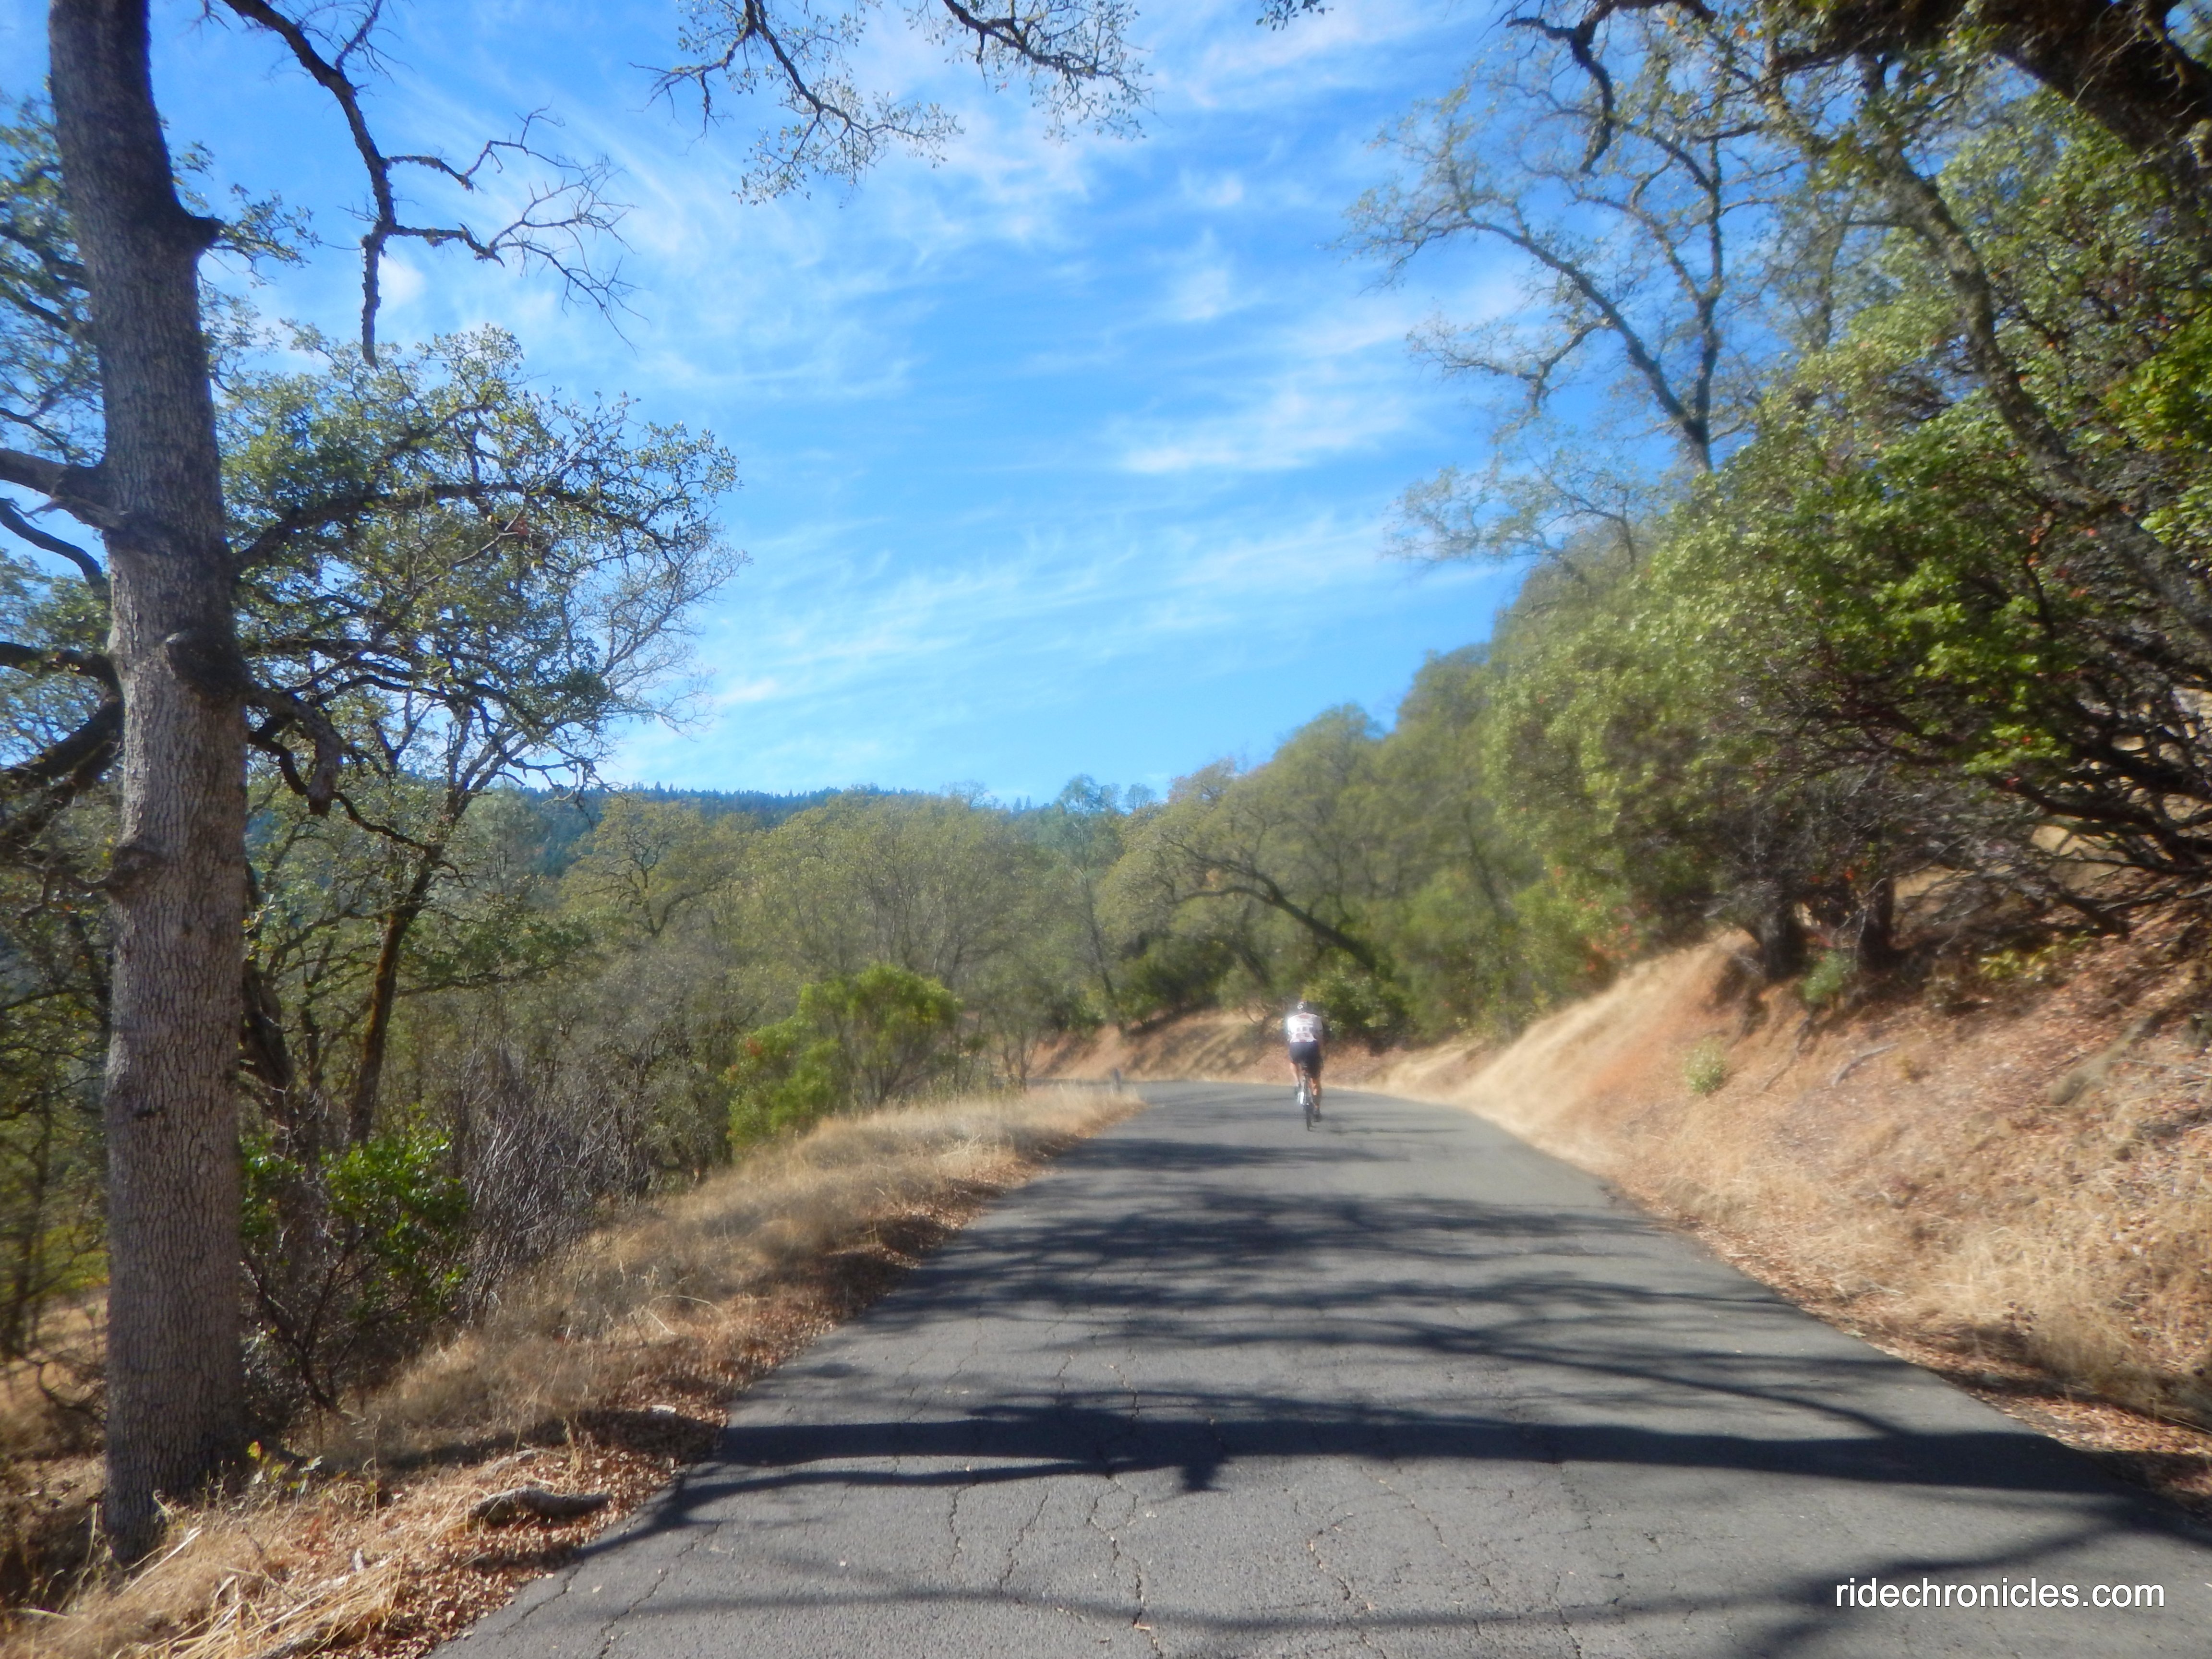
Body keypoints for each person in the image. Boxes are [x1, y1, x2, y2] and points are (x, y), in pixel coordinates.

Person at [1283, 999, 1325, 1106]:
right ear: (1311, 1009)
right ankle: (1317, 1109)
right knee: (1315, 1080)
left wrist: (1292, 1050)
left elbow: (1290, 1037)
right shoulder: (1316, 1018)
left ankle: (1297, 1082)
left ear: (1298, 1010)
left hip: (1296, 1046)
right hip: (1311, 1046)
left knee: (1293, 1061)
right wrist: (1320, 1054)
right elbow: (1320, 1038)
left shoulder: (1291, 1019)